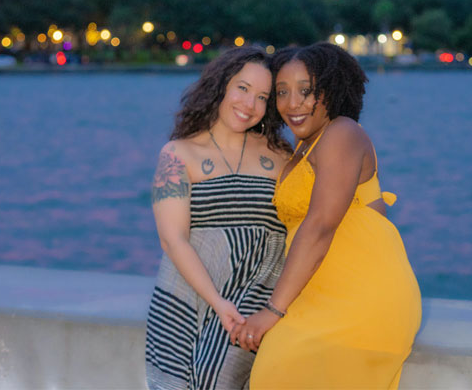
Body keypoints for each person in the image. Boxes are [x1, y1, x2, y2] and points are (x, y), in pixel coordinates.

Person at [231, 42, 422, 389]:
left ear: (332, 90)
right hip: (313, 298)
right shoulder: (302, 148)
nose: (292, 104)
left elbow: (320, 225)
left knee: (275, 372)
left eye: (307, 91)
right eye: (281, 92)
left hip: (359, 299)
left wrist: (272, 311)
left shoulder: (342, 133)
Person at [145, 47, 291, 390]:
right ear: (220, 86)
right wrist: (218, 302)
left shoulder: (281, 156)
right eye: (242, 88)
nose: (249, 104)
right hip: (190, 302)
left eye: (262, 97)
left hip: (258, 303)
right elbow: (173, 239)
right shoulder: (179, 154)